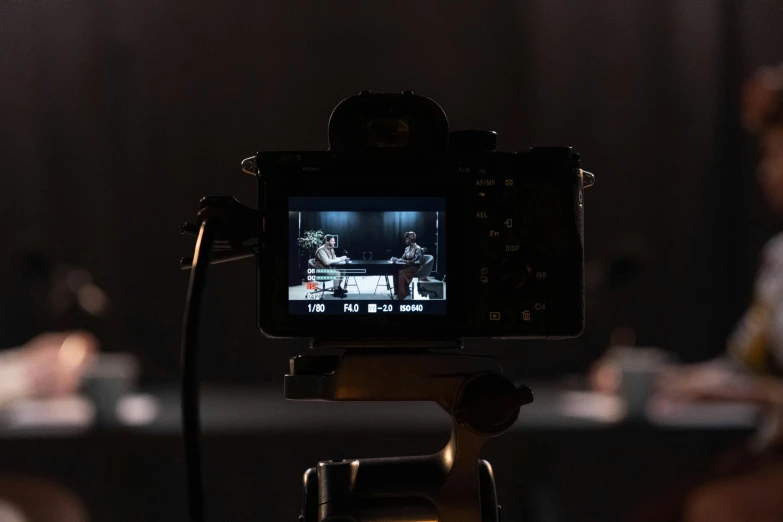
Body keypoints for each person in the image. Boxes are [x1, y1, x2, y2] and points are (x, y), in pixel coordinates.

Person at [625, 63, 783, 522]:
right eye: (766, 156)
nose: (766, 173)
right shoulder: (778, 256)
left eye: (777, 156)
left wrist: (755, 395)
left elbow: (760, 387)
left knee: (711, 509)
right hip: (768, 450)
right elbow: (744, 366)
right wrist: (667, 379)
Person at [392, 231, 423, 300]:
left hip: (415, 267)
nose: (405, 240)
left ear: (411, 239)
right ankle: (398, 291)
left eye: (406, 239)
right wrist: (396, 259)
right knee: (396, 271)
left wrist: (407, 262)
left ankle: (403, 293)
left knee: (402, 272)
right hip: (407, 266)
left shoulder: (418, 248)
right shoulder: (407, 249)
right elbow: (403, 258)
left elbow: (417, 261)